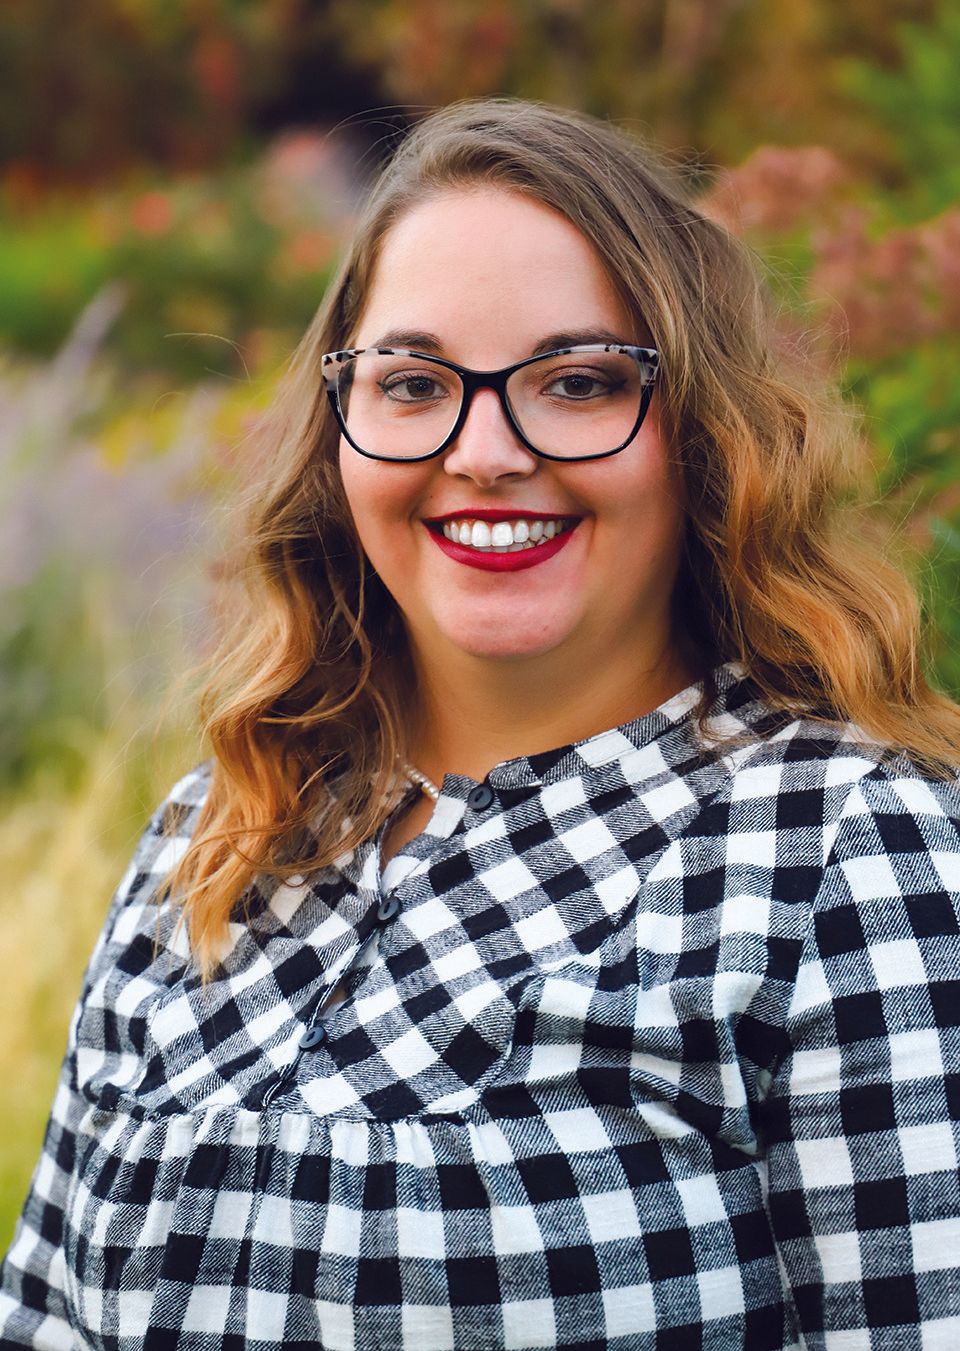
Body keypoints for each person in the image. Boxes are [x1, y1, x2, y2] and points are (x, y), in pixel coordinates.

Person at [2, 97, 959, 1351]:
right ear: (342, 426)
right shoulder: (217, 835)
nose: (485, 448)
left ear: (704, 429)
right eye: (414, 382)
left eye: (576, 382)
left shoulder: (845, 859)